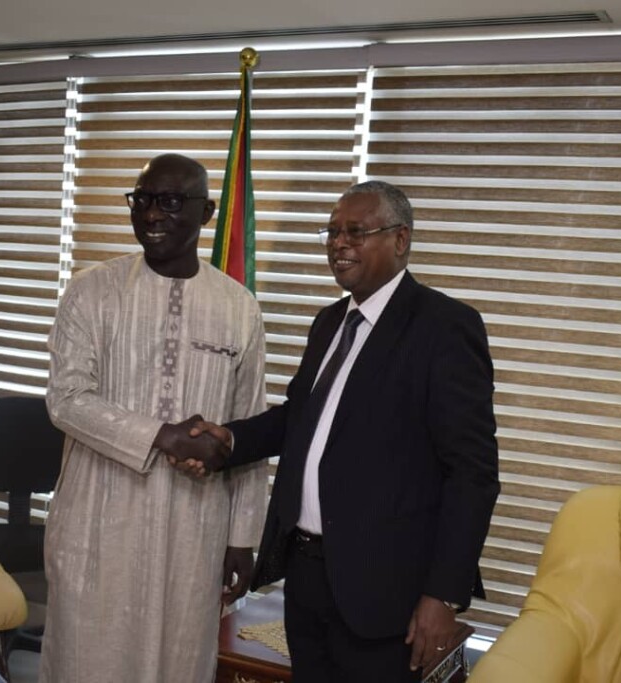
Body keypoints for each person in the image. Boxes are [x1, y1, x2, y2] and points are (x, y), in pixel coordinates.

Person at [178, 180, 500, 682]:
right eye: (331, 232)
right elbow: (300, 417)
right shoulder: (330, 322)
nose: (338, 243)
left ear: (400, 239)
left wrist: (443, 595)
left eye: (355, 232)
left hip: (385, 593)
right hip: (307, 579)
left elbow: (473, 474)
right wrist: (230, 439)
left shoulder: (445, 327)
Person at [41, 153, 268, 682]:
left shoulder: (239, 307)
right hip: (99, 519)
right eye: (142, 199)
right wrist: (164, 436)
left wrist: (243, 536)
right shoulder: (92, 291)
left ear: (207, 212)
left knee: (178, 661)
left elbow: (248, 425)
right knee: (88, 660)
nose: (151, 214)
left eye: (170, 201)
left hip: (195, 528)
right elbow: (67, 399)